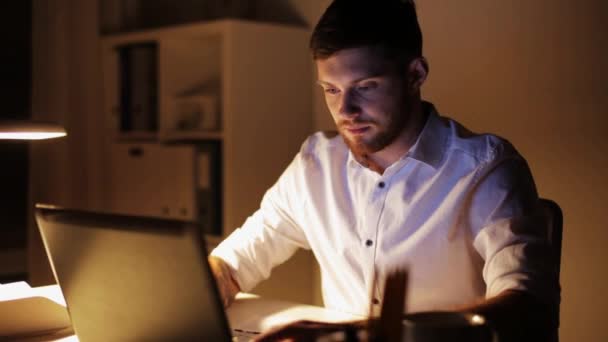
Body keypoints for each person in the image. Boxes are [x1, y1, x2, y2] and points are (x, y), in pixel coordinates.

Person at [209, 0, 559, 340]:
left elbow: (528, 306)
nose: (345, 110)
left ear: (415, 74)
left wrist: (357, 334)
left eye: (365, 87)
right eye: (331, 90)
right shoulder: (315, 165)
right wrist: (209, 281)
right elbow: (237, 260)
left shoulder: (485, 168)